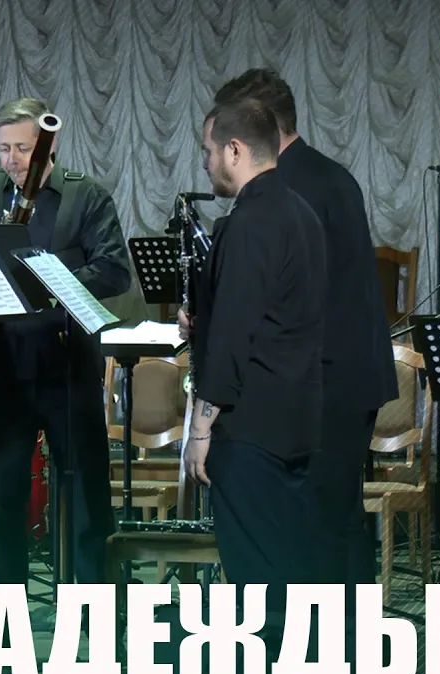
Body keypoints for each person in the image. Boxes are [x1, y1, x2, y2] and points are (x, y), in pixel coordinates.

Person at [209, 68, 408, 674]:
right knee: (337, 528)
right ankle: (357, 671)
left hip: (319, 386)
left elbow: (280, 305)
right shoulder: (331, 176)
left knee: (310, 535)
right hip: (353, 378)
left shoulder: (281, 191)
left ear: (257, 128)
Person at [0, 97, 131, 590]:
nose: (12, 160)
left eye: (22, 148)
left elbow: (114, 270)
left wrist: (49, 282)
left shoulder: (86, 196)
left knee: (84, 489)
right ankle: (2, 611)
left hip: (67, 363)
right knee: (0, 492)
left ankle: (95, 608)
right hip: (4, 364)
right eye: (4, 149)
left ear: (48, 146)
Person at [180, 99, 325, 643]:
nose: (205, 162)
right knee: (291, 572)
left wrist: (200, 429)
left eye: (208, 151)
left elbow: (233, 338)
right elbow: (277, 315)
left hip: (250, 429)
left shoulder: (246, 222)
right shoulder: (302, 213)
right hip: (298, 420)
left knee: (256, 586)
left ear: (235, 150)